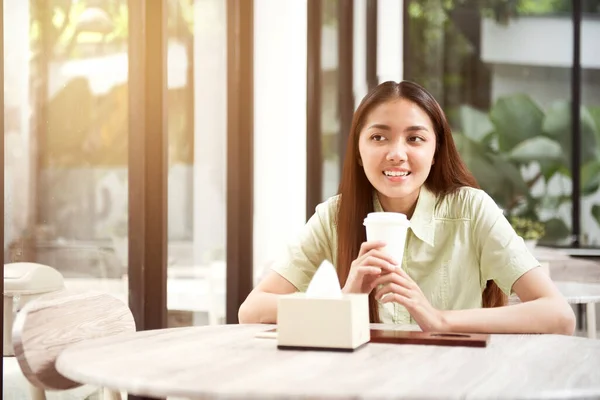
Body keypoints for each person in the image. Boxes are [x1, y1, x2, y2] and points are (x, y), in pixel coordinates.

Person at [238, 80, 575, 335]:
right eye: (379, 137)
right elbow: (252, 310)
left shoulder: (471, 210)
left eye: (414, 138)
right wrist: (343, 300)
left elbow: (558, 315)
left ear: (435, 150)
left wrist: (438, 318)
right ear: (358, 150)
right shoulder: (335, 216)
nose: (396, 153)